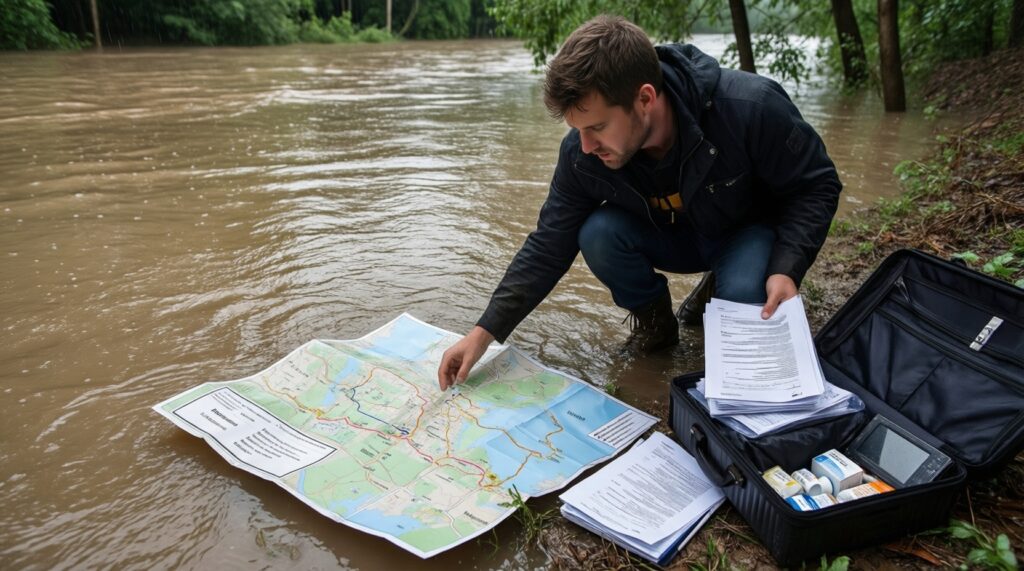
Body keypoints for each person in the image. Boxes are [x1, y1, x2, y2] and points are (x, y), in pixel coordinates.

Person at [438, 15, 841, 390]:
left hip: (742, 233)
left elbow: (817, 186)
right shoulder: (582, 155)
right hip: (672, 237)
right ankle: (657, 326)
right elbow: (548, 245)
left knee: (744, 307)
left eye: (597, 126)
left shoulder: (751, 107)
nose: (586, 145)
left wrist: (787, 268)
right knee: (595, 232)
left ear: (645, 98)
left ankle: (722, 286)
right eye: (577, 130)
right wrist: (484, 333)